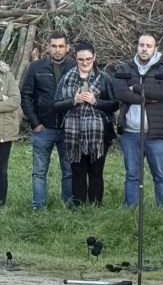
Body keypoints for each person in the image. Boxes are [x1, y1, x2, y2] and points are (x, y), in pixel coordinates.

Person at [114, 33, 163, 207]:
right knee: (132, 174)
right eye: (141, 45)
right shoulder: (125, 68)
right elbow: (120, 92)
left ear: (155, 49)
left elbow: (162, 92)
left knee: (160, 175)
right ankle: (131, 208)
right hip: (130, 133)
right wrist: (147, 98)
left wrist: (136, 87)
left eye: (149, 46)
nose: (144, 49)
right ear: (137, 46)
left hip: (156, 133)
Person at [53, 42, 118, 206]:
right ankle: (79, 205)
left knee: (96, 170)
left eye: (88, 59)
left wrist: (96, 101)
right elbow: (56, 105)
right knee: (77, 171)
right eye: (81, 59)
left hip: (99, 133)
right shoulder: (66, 78)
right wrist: (73, 101)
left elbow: (115, 104)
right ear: (75, 58)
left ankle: (96, 204)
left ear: (94, 57)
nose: (85, 62)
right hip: (73, 133)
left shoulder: (104, 78)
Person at [20, 31, 73, 208]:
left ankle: (68, 205)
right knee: (39, 171)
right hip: (43, 128)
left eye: (61, 46)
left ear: (67, 48)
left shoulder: (74, 67)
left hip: (68, 128)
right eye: (54, 46)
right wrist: (34, 123)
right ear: (48, 47)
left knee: (69, 170)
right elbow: (25, 95)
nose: (57, 50)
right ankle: (38, 206)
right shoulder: (35, 67)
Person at [0, 59, 21, 206]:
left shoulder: (7, 74)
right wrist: (3, 98)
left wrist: (6, 99)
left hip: (4, 131)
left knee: (1, 169)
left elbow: (15, 100)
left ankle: (1, 202)